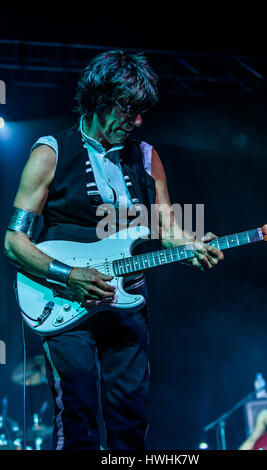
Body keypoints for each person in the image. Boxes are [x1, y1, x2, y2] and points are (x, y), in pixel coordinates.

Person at [3, 50, 224, 450]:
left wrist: (191, 244)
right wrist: (69, 276)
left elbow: (168, 228)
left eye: (141, 112)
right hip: (66, 304)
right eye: (127, 109)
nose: (136, 121)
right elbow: (14, 242)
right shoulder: (50, 152)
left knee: (130, 420)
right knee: (77, 415)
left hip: (128, 305)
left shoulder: (145, 156)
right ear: (98, 99)